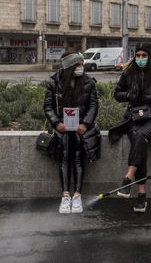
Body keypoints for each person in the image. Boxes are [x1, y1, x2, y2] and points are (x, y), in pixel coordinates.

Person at [109, 43, 151, 213]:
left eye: (143, 55)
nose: (140, 59)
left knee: (140, 138)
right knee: (140, 144)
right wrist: (127, 95)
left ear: (149, 56)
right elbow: (117, 94)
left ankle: (128, 179)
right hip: (134, 117)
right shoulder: (128, 72)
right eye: (137, 55)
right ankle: (141, 195)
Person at [44, 51, 100, 214]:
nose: (81, 67)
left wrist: (85, 124)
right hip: (62, 127)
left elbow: (93, 105)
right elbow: (48, 106)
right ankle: (65, 195)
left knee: (77, 157)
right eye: (78, 64)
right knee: (64, 157)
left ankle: (77, 195)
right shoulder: (55, 82)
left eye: (82, 64)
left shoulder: (89, 82)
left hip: (81, 128)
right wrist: (57, 123)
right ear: (69, 66)